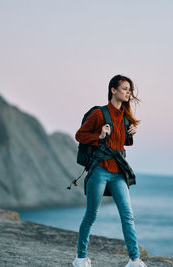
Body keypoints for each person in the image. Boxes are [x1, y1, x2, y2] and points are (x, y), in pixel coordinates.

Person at [72, 74, 147, 267]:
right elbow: (79, 135)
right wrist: (99, 135)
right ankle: (80, 258)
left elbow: (121, 143)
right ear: (113, 90)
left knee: (127, 216)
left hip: (119, 173)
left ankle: (134, 260)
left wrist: (131, 134)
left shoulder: (125, 117)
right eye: (124, 89)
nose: (128, 93)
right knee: (91, 215)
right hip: (100, 171)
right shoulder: (99, 114)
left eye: (130, 90)